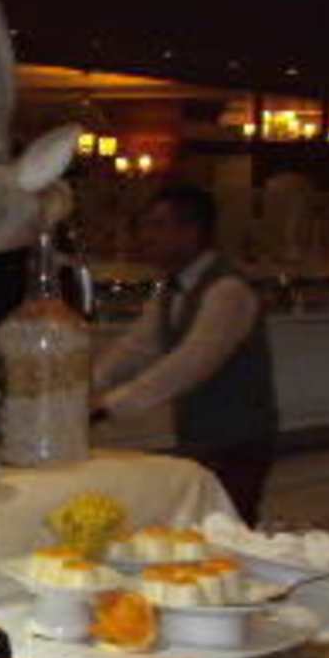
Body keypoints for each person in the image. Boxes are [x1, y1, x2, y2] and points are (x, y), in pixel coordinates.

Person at [94, 183, 279, 523]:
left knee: (228, 532)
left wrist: (109, 405)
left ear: (191, 231)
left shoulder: (229, 289)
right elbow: (137, 346)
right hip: (199, 438)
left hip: (237, 441)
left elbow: (189, 365)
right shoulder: (173, 288)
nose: (146, 237)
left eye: (157, 225)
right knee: (196, 529)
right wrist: (87, 384)